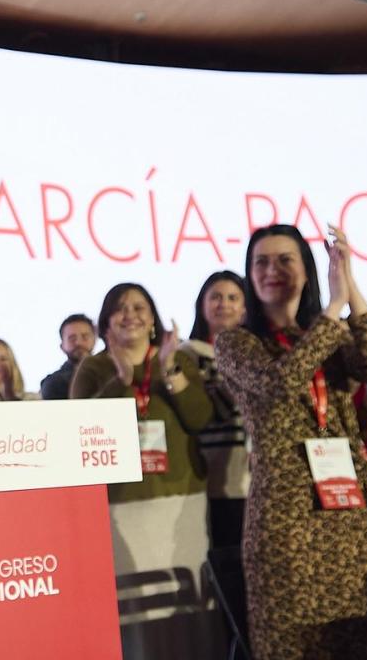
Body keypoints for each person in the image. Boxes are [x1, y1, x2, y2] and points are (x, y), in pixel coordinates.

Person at [215, 224, 367, 660]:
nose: (271, 270)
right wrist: (333, 309)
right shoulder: (237, 342)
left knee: (364, 638)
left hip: (350, 508)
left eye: (285, 260)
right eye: (261, 262)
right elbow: (280, 382)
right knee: (297, 642)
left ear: (307, 270)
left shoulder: (326, 335)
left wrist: (349, 288)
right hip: (286, 514)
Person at [72, 282, 218, 659]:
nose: (130, 314)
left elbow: (200, 418)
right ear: (106, 321)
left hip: (182, 502)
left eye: (139, 307)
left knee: (189, 607)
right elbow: (80, 431)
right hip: (120, 507)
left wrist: (170, 370)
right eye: (120, 308)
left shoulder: (176, 358)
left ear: (153, 318)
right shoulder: (94, 367)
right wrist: (119, 381)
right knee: (136, 612)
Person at [176, 271, 251, 550]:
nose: (224, 304)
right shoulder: (189, 353)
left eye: (233, 297)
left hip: (261, 475)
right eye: (216, 297)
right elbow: (204, 413)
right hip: (219, 477)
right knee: (228, 560)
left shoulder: (256, 351)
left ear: (246, 307)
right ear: (202, 305)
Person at [40, 313, 98, 400]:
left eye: (85, 337)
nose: (79, 343)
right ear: (62, 346)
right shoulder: (53, 383)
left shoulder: (110, 375)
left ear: (94, 340)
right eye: (72, 338)